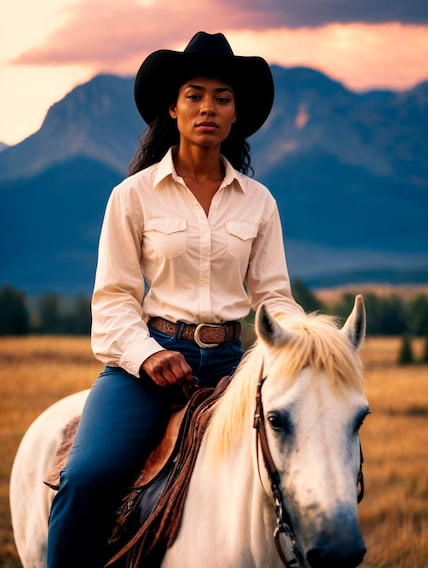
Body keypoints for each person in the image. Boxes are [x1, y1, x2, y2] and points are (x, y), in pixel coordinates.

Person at [46, 31, 304, 567]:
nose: (208, 106)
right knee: (88, 477)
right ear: (173, 106)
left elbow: (274, 296)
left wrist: (305, 346)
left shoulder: (260, 203)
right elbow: (114, 297)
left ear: (237, 115)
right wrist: (148, 356)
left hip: (235, 362)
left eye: (222, 97)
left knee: (302, 469)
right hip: (150, 360)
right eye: (195, 94)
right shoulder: (132, 196)